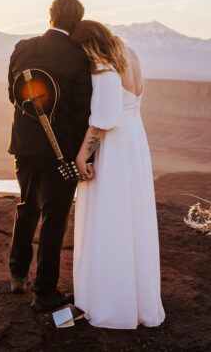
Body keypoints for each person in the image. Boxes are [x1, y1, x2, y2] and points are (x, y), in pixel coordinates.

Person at [70, 20, 165, 329]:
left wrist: (83, 153)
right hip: (135, 140)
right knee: (132, 217)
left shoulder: (104, 68)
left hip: (114, 147)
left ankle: (112, 304)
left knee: (110, 216)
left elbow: (104, 118)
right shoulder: (131, 55)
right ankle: (139, 303)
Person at [6, 0, 92, 313]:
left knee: (27, 205)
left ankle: (17, 273)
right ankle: (44, 292)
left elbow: (15, 96)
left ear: (50, 16)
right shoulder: (80, 57)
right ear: (78, 21)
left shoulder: (23, 48)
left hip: (25, 145)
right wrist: (85, 156)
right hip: (62, 153)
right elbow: (84, 110)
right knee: (54, 218)